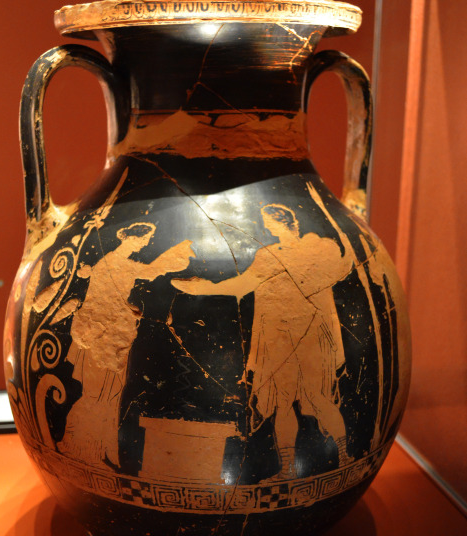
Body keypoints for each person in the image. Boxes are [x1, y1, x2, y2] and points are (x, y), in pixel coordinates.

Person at [172, 202, 353, 477]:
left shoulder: (316, 247)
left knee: (317, 399)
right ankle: (288, 468)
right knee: (283, 404)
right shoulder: (268, 254)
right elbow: (243, 285)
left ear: (282, 223)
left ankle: (345, 454)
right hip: (278, 337)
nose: (266, 228)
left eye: (269, 223)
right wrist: (202, 287)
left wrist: (202, 287)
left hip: (310, 335)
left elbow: (340, 268)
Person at [59, 222, 195, 469]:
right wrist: (177, 254)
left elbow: (121, 293)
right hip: (102, 337)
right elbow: (149, 272)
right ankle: (78, 447)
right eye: (144, 239)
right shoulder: (116, 262)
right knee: (97, 393)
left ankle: (100, 451)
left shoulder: (114, 261)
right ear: (132, 239)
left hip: (110, 335)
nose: (145, 243)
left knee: (109, 395)